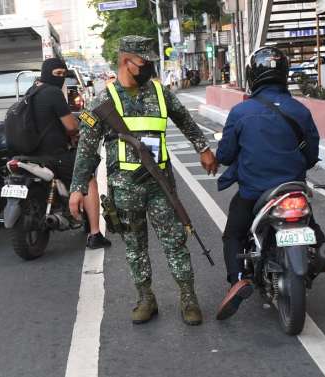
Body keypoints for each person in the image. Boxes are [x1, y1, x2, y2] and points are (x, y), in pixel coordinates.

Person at [69, 36, 218, 325]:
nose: (149, 67)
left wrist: (203, 149)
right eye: (145, 62)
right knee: (135, 247)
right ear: (127, 61)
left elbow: (186, 121)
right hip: (125, 190)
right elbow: (86, 150)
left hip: (160, 184)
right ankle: (146, 299)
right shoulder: (102, 101)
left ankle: (188, 298)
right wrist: (77, 188)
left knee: (175, 242)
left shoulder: (160, 94)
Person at [215, 46, 325, 320]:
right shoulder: (299, 110)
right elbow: (311, 154)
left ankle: (238, 279)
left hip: (255, 192)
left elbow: (226, 155)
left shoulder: (241, 112)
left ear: (253, 75)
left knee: (234, 233)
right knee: (310, 223)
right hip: (292, 189)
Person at [30, 58, 110, 249]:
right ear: (46, 73)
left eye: (62, 74)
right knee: (88, 178)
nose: (60, 78)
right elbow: (72, 127)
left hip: (32, 155)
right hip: (54, 155)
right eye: (57, 74)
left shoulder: (31, 92)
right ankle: (95, 234)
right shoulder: (54, 93)